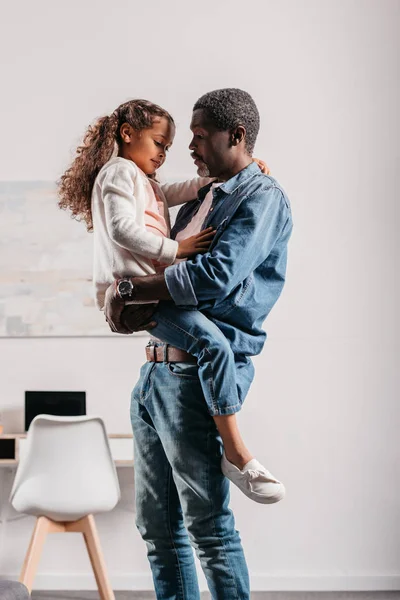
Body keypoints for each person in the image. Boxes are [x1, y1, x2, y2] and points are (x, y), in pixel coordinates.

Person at [104, 88, 293, 599]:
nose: (189, 146)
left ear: (237, 136)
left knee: (208, 528)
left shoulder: (262, 198)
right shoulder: (205, 193)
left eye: (200, 135)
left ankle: (239, 452)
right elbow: (161, 257)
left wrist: (128, 290)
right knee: (158, 531)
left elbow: (213, 276)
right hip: (153, 377)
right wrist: (132, 291)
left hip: (193, 378)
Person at [58, 97, 283, 504]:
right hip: (137, 289)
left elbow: (177, 191)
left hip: (146, 297)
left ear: (236, 137)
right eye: (160, 143)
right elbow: (125, 230)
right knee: (212, 344)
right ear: (128, 135)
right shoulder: (117, 174)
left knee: (191, 520)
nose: (168, 153)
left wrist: (222, 179)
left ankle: (234, 451)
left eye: (182, 142)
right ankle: (235, 452)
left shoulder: (143, 179)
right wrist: (174, 251)